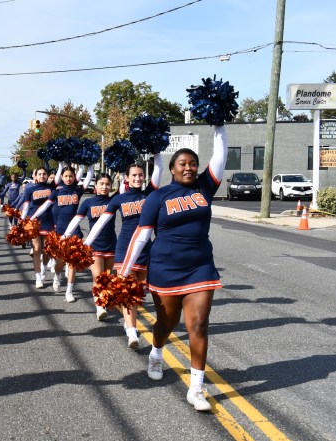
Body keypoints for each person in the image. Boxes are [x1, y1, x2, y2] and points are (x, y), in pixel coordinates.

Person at [121, 125, 228, 412]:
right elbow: (142, 235)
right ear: (172, 168)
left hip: (200, 267)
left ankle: (196, 388)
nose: (189, 168)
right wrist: (123, 273)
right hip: (165, 269)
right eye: (183, 164)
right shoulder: (158, 197)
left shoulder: (205, 187)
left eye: (193, 163)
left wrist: (219, 125)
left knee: (198, 325)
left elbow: (220, 155)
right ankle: (156, 353)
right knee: (166, 323)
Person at [83, 154, 163, 348]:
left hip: (147, 250)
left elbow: (159, 170)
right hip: (124, 249)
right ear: (126, 178)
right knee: (127, 292)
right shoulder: (119, 198)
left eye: (140, 175)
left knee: (148, 291)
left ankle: (153, 325)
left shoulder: (150, 194)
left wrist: (157, 152)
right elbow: (100, 223)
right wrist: (86, 243)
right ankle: (131, 332)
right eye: (134, 175)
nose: (137, 178)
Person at [31, 164, 94, 302]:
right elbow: (45, 206)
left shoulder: (78, 190)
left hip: (75, 230)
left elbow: (89, 177)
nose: (69, 178)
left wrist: (89, 165)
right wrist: (30, 218)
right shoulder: (56, 191)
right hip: (60, 229)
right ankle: (57, 275)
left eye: (71, 176)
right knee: (61, 261)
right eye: (66, 176)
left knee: (72, 261)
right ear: (62, 177)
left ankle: (69, 291)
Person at [64, 174, 116, 320]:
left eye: (107, 184)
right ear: (96, 186)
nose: (104, 187)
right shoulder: (88, 203)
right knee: (98, 277)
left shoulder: (114, 200)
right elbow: (76, 220)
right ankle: (100, 307)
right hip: (95, 246)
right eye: (101, 184)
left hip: (111, 244)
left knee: (107, 277)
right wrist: (65, 236)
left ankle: (103, 299)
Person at [21, 165, 60, 288]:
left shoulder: (52, 187)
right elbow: (26, 206)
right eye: (40, 174)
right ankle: (38, 277)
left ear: (47, 175)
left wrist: (61, 163)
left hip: (48, 221)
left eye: (44, 174)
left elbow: (59, 174)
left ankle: (43, 267)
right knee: (37, 249)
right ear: (35, 176)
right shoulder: (29, 189)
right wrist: (22, 221)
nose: (42, 176)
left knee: (47, 250)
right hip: (34, 221)